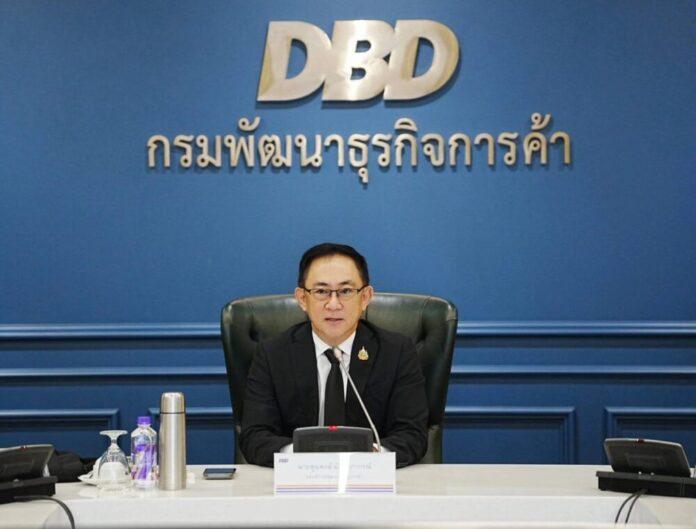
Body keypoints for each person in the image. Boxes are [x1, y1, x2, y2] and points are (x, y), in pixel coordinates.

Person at [240, 243, 428, 468]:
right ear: (302, 299)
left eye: (346, 291)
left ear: (365, 297)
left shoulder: (396, 352)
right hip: (298, 479)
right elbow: (254, 435)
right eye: (321, 292)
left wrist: (370, 456)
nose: (334, 304)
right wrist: (301, 453)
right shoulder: (273, 354)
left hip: (369, 479)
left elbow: (412, 435)